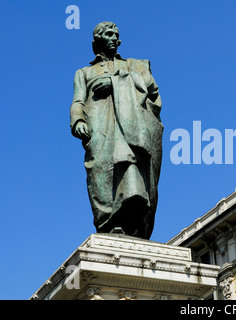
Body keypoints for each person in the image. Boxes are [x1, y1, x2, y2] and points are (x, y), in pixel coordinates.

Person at [70, 21, 163, 239]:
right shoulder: (84, 72)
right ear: (98, 39)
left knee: (131, 170)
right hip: (99, 129)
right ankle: (108, 224)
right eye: (109, 34)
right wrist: (78, 121)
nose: (114, 38)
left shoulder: (132, 66)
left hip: (130, 131)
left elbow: (152, 89)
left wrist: (115, 83)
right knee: (100, 173)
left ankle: (132, 224)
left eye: (116, 35)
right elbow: (77, 102)